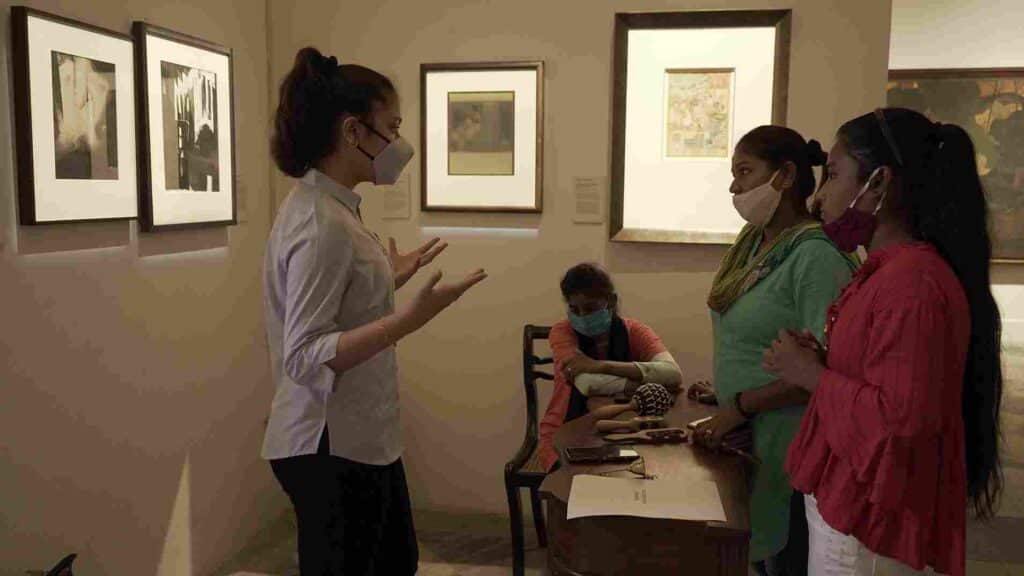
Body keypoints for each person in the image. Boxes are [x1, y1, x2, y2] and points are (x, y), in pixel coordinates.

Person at [262, 47, 487, 575]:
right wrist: (409, 318)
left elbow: (335, 307)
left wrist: (387, 278)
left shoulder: (336, 209)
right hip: (326, 446)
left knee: (395, 561)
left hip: (358, 438)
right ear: (352, 132)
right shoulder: (321, 225)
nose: (401, 144)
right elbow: (305, 353)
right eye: (392, 127)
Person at [765, 108, 1003, 576]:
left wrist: (811, 375)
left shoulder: (911, 283)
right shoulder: (890, 271)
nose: (821, 197)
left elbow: (901, 420)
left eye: (833, 175)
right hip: (850, 508)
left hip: (868, 525)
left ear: (878, 184)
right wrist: (822, 361)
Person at [693, 126, 858, 576]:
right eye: (733, 174)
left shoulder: (816, 256)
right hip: (752, 438)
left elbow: (827, 366)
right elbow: (754, 336)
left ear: (785, 176)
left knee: (791, 557)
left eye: (745, 172)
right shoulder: (754, 245)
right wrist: (728, 390)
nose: (734, 187)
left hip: (794, 444)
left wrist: (742, 404)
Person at [537, 263, 682, 472]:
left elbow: (673, 373)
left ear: (611, 302)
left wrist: (599, 365)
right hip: (563, 431)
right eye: (574, 309)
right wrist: (640, 384)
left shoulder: (635, 331)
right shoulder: (562, 332)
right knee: (568, 489)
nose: (582, 317)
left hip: (623, 429)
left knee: (640, 479)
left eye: (590, 308)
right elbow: (588, 384)